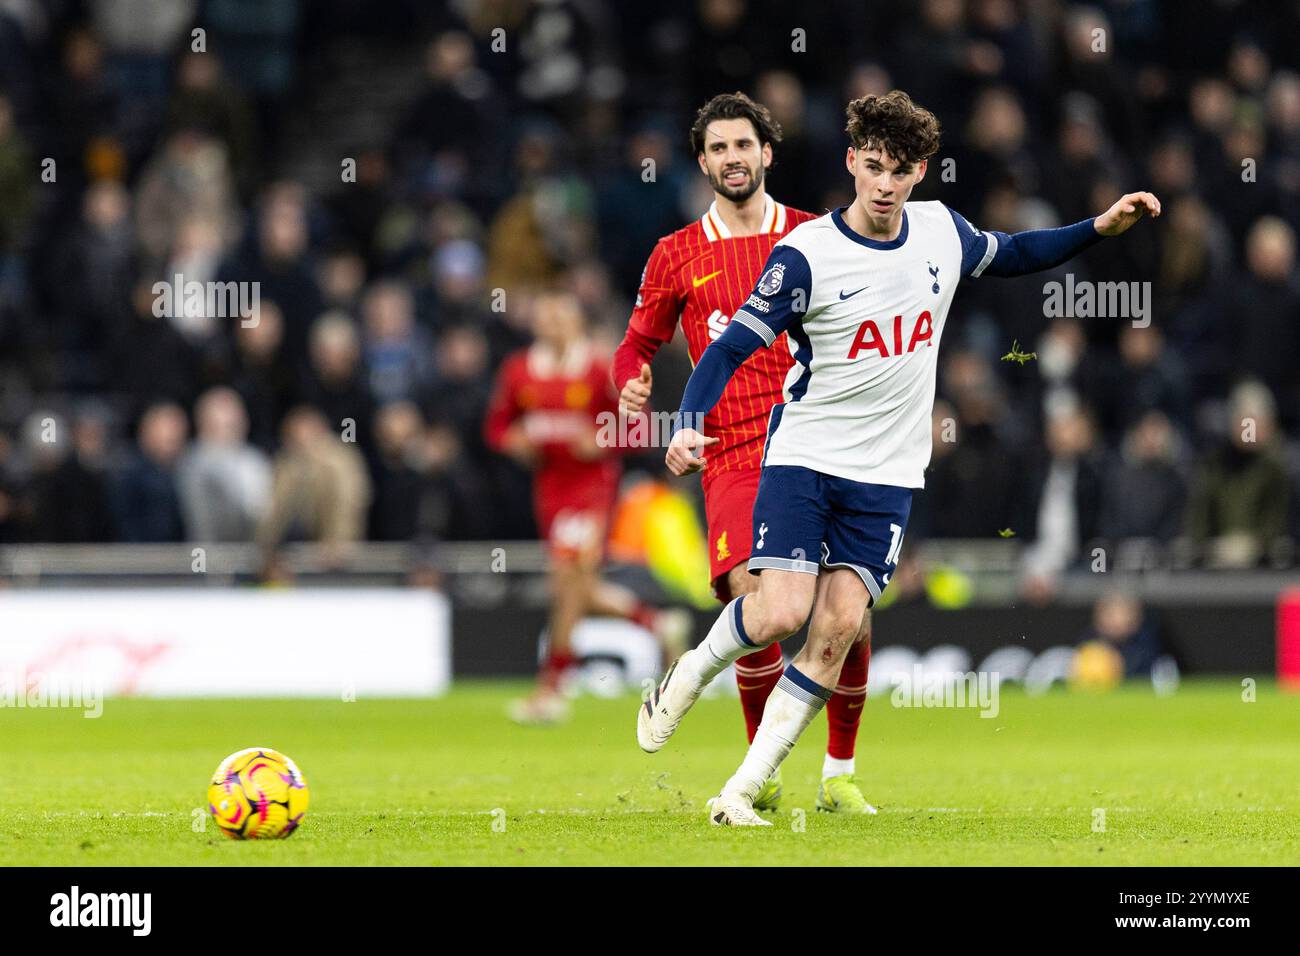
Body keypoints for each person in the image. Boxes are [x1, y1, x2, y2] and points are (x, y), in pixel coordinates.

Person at [641, 89, 1161, 825]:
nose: (886, 185)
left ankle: (738, 792)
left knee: (837, 630)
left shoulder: (940, 233)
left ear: (921, 173)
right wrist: (689, 420)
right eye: (874, 167)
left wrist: (1099, 228)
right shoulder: (806, 255)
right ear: (853, 163)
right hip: (805, 456)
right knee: (783, 609)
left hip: (887, 474)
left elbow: (1013, 253)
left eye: (902, 171)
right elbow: (730, 345)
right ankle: (692, 670)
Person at [613, 91, 874, 814]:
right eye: (718, 148)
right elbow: (637, 345)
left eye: (744, 145)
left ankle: (839, 775)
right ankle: (764, 772)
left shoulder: (817, 235)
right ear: (703, 163)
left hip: (819, 443)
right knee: (759, 607)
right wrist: (632, 382)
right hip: (731, 454)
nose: (733, 158)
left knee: (850, 619)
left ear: (768, 152)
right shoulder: (676, 255)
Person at [485, 289, 688, 725]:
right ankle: (653, 623)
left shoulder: (598, 368)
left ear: (576, 323)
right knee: (574, 587)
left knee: (566, 580)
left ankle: (551, 687)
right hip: (550, 490)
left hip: (591, 490)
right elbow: (497, 427)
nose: (552, 327)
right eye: (546, 319)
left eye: (561, 319)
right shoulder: (520, 370)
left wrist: (600, 441)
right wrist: (515, 443)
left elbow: (640, 425)